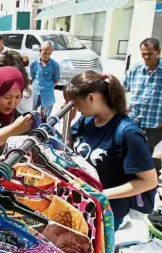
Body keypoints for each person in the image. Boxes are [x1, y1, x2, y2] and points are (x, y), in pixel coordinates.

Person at [65, 71, 158, 228]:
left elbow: (149, 181)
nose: (74, 107)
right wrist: (67, 121)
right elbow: (67, 150)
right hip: (80, 205)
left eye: (74, 102)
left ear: (91, 98)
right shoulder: (86, 120)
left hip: (105, 214)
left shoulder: (127, 133)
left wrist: (101, 196)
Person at [124, 37, 162, 174]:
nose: (146, 57)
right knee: (131, 149)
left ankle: (149, 179)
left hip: (155, 123)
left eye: (150, 53)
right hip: (134, 119)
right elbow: (122, 89)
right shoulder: (135, 70)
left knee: (146, 151)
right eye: (143, 54)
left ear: (158, 51)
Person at [30, 41, 60, 117]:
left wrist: (49, 87)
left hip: (48, 95)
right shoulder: (33, 63)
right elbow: (32, 77)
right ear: (40, 50)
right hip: (35, 93)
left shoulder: (55, 65)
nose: (46, 55)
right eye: (45, 53)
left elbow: (57, 79)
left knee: (45, 117)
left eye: (49, 54)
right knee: (31, 114)